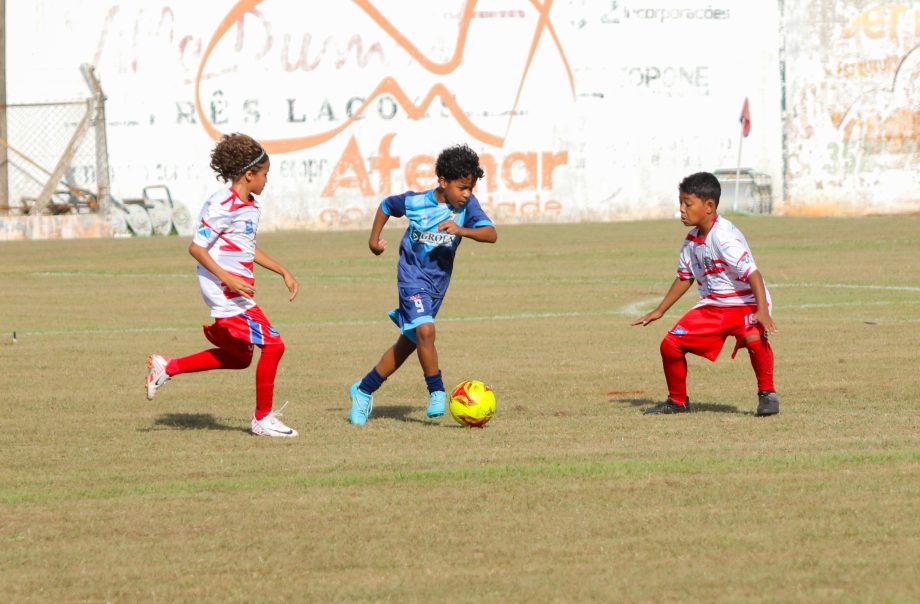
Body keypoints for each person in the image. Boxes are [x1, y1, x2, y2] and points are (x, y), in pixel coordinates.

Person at [145, 133, 301, 437]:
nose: (267, 181)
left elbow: (247, 247)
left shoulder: (251, 206)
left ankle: (168, 367)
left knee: (241, 358)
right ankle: (262, 418)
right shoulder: (221, 204)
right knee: (274, 345)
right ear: (249, 174)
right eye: (265, 174)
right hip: (226, 293)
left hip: (236, 292)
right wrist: (230, 280)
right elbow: (197, 248)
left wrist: (281, 270)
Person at [348, 144, 497, 425]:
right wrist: (373, 240)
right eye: (462, 187)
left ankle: (364, 389)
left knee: (411, 343)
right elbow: (386, 206)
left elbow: (491, 234)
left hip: (437, 286)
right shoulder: (416, 202)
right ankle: (437, 391)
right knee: (426, 331)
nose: (467, 194)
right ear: (443, 181)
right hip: (411, 277)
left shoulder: (467, 208)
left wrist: (462, 230)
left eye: (471, 188)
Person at [631, 171, 780, 416]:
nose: (681, 210)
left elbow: (754, 274)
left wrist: (762, 311)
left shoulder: (724, 237)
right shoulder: (691, 241)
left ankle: (767, 395)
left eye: (687, 204)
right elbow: (684, 277)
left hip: (747, 302)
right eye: (680, 203)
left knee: (753, 337)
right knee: (670, 345)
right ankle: (677, 401)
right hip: (714, 305)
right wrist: (659, 311)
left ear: (709, 206)